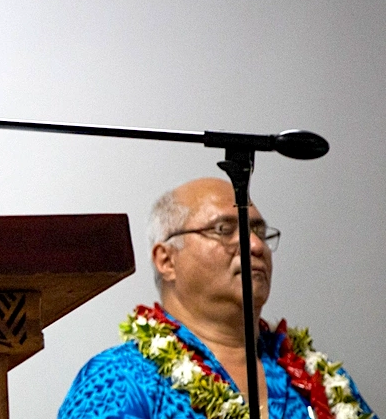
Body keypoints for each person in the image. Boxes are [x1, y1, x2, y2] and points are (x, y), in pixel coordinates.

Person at [59, 177, 376, 419]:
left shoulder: (315, 378)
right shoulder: (121, 377)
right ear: (166, 260)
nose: (255, 246)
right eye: (224, 229)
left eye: (259, 231)